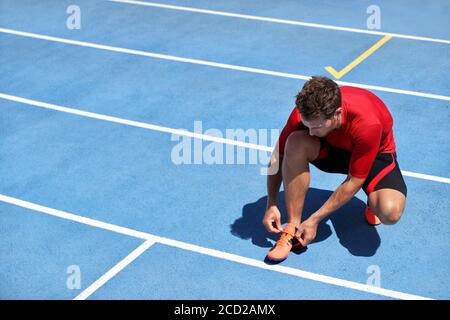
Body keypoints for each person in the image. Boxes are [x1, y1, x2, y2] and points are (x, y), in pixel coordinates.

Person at [263, 76, 407, 262]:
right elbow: (278, 156)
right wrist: (271, 203)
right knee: (295, 142)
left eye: (316, 127)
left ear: (337, 113)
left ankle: (373, 202)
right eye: (308, 126)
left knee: (390, 212)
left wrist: (314, 219)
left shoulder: (367, 124)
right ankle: (292, 228)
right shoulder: (304, 115)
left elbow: (354, 181)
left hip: (372, 155)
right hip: (331, 148)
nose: (311, 132)